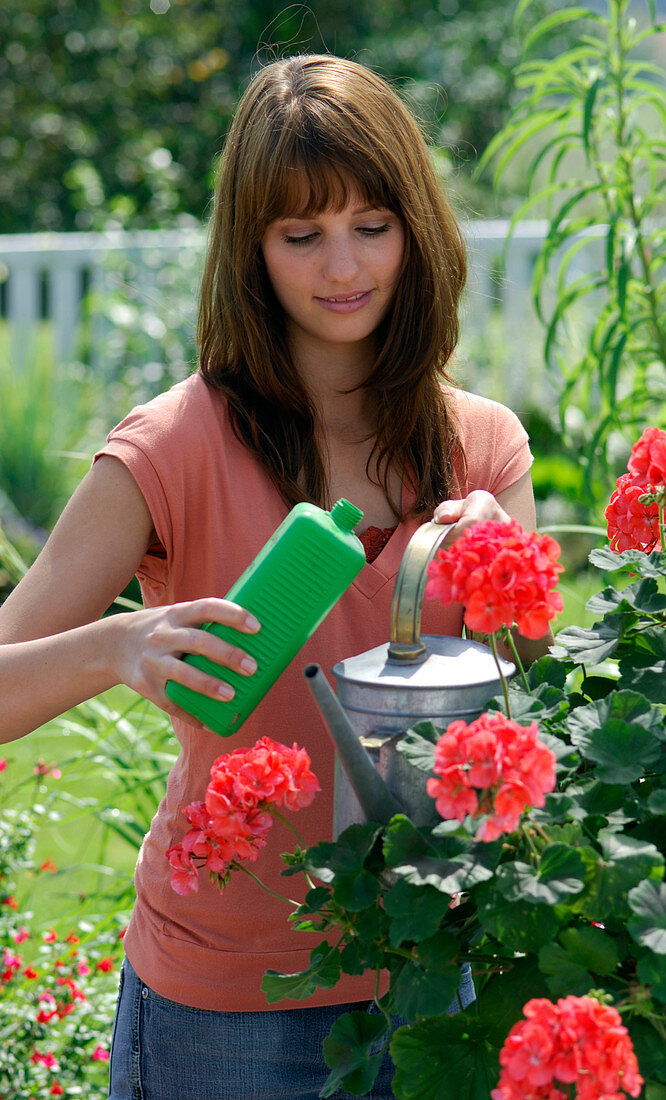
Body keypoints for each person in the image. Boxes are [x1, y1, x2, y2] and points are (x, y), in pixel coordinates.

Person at [0, 54, 548, 1099]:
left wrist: (502, 576)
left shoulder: (482, 445)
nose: (343, 266)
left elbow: (527, 690)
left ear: (418, 230)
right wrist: (117, 645)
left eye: (372, 225)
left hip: (440, 970)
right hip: (233, 1004)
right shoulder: (171, 445)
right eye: (301, 235)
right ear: (251, 250)